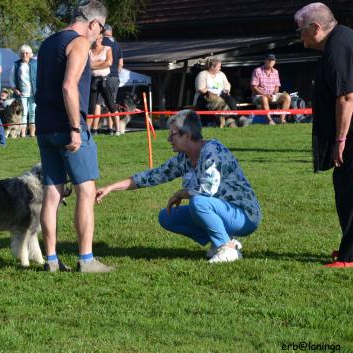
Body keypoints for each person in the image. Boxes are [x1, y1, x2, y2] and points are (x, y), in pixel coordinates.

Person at [96, 110, 261, 263]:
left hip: (245, 216)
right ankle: (224, 239)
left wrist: (182, 193)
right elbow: (152, 176)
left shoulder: (213, 152)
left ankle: (227, 249)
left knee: (199, 202)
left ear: (187, 136)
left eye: (172, 134)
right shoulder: (184, 158)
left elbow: (208, 189)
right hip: (222, 212)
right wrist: (111, 187)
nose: (168, 139)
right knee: (167, 217)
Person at [35, 0, 113, 273]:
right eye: (101, 29)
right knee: (86, 190)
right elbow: (69, 87)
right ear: (93, 23)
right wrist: (76, 128)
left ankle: (52, 260)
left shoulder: (47, 43)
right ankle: (86, 259)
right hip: (68, 125)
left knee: (52, 193)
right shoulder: (79, 42)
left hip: (44, 125)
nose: (99, 36)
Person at [294, 3, 353, 268]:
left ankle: (350, 256)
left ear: (316, 28)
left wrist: (340, 141)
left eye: (301, 31)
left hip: (350, 134)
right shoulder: (342, 40)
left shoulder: (338, 48)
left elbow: (347, 96)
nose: (300, 36)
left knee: (348, 191)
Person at [88, 33, 119, 135]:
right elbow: (87, 64)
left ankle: (117, 129)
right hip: (93, 80)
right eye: (95, 39)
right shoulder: (89, 51)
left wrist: (93, 66)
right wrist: (100, 64)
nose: (97, 40)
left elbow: (109, 62)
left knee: (111, 105)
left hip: (105, 80)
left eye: (98, 38)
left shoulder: (107, 48)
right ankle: (89, 130)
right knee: (92, 106)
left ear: (101, 39)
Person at [194, 58, 237, 128]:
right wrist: (213, 95)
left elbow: (227, 84)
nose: (220, 68)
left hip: (220, 96)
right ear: (212, 67)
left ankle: (232, 119)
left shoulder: (221, 74)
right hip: (205, 97)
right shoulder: (202, 74)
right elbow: (201, 89)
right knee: (218, 101)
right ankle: (222, 121)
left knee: (231, 100)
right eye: (218, 66)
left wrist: (227, 90)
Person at [251, 54, 291, 125]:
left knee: (287, 96)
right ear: (265, 60)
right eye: (269, 60)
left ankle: (282, 120)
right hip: (260, 95)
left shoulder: (276, 72)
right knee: (264, 98)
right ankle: (269, 120)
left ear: (275, 62)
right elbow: (253, 87)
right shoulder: (257, 70)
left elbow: (277, 86)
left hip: (272, 94)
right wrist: (265, 95)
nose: (270, 62)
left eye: (272, 60)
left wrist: (274, 94)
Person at [10, 44, 37, 137]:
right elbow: (11, 79)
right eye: (22, 53)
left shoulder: (35, 63)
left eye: (26, 53)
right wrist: (15, 89)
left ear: (30, 54)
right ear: (20, 54)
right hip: (21, 94)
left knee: (33, 112)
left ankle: (33, 134)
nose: (24, 55)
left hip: (34, 93)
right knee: (24, 113)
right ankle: (23, 134)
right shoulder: (16, 64)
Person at [102, 24, 124, 134]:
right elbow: (121, 63)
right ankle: (114, 129)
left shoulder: (100, 43)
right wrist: (115, 72)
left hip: (102, 76)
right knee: (112, 103)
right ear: (111, 32)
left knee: (100, 104)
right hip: (114, 77)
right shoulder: (117, 45)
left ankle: (109, 128)